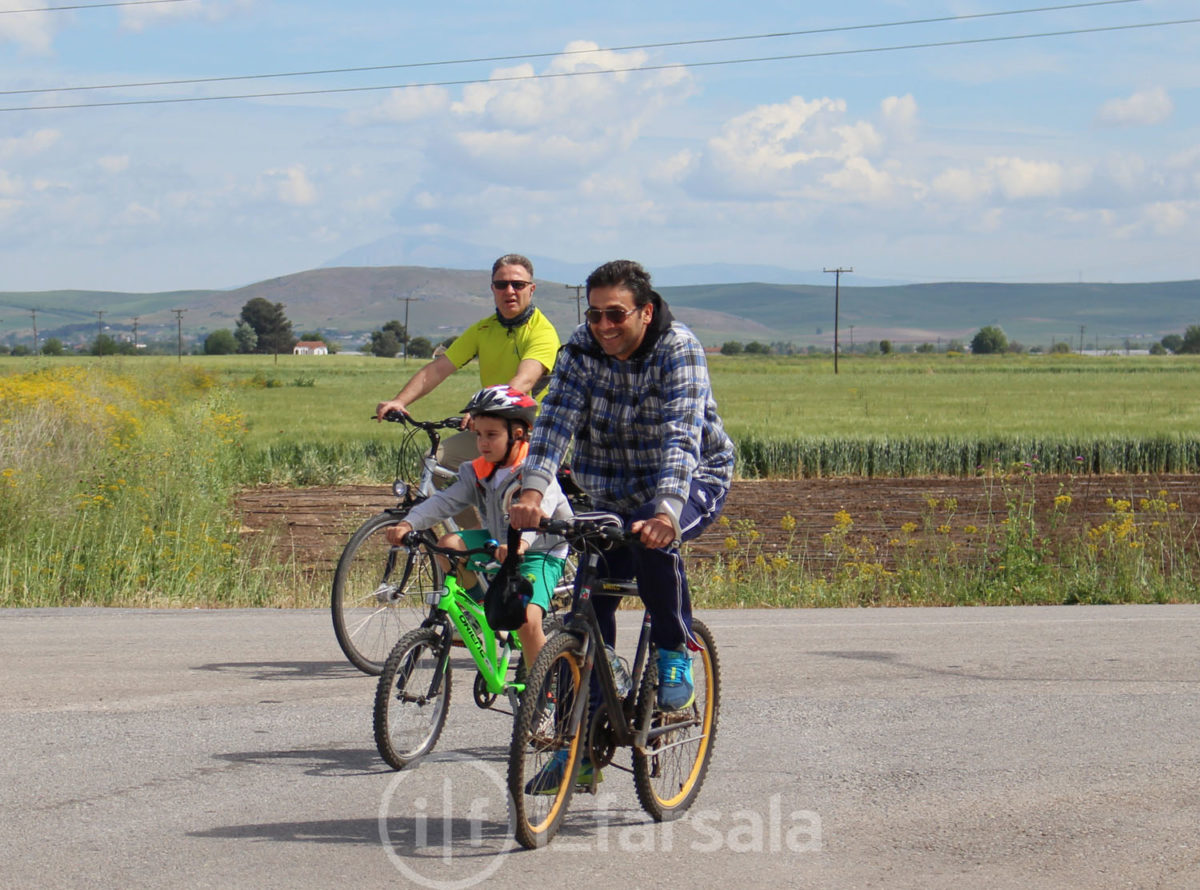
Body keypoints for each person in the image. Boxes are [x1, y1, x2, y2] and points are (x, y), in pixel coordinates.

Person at [510, 258, 734, 792]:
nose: (604, 327)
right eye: (595, 315)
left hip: (687, 479)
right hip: (605, 487)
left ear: (645, 311)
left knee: (655, 544)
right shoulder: (581, 349)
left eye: (617, 315)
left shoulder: (678, 348)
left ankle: (675, 652)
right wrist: (532, 491)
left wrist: (666, 511)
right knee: (587, 608)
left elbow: (682, 434)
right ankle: (581, 749)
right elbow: (555, 420)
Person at [385, 385, 572, 667]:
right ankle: (485, 608)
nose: (483, 443)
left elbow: (539, 512)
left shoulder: (536, 472)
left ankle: (543, 696)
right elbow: (445, 502)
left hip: (539, 551)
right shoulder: (479, 470)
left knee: (528, 619)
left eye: (492, 435)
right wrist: (409, 522)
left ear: (518, 434)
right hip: (500, 542)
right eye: (479, 435)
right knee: (448, 546)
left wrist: (519, 545)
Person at [375, 253, 561, 470]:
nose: (509, 291)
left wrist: (482, 410)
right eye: (501, 285)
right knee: (433, 463)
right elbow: (438, 369)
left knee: (506, 487)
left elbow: (524, 381)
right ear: (493, 289)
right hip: (492, 427)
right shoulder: (484, 329)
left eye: (518, 284)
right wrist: (400, 401)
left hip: (534, 432)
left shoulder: (542, 332)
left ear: (532, 289)